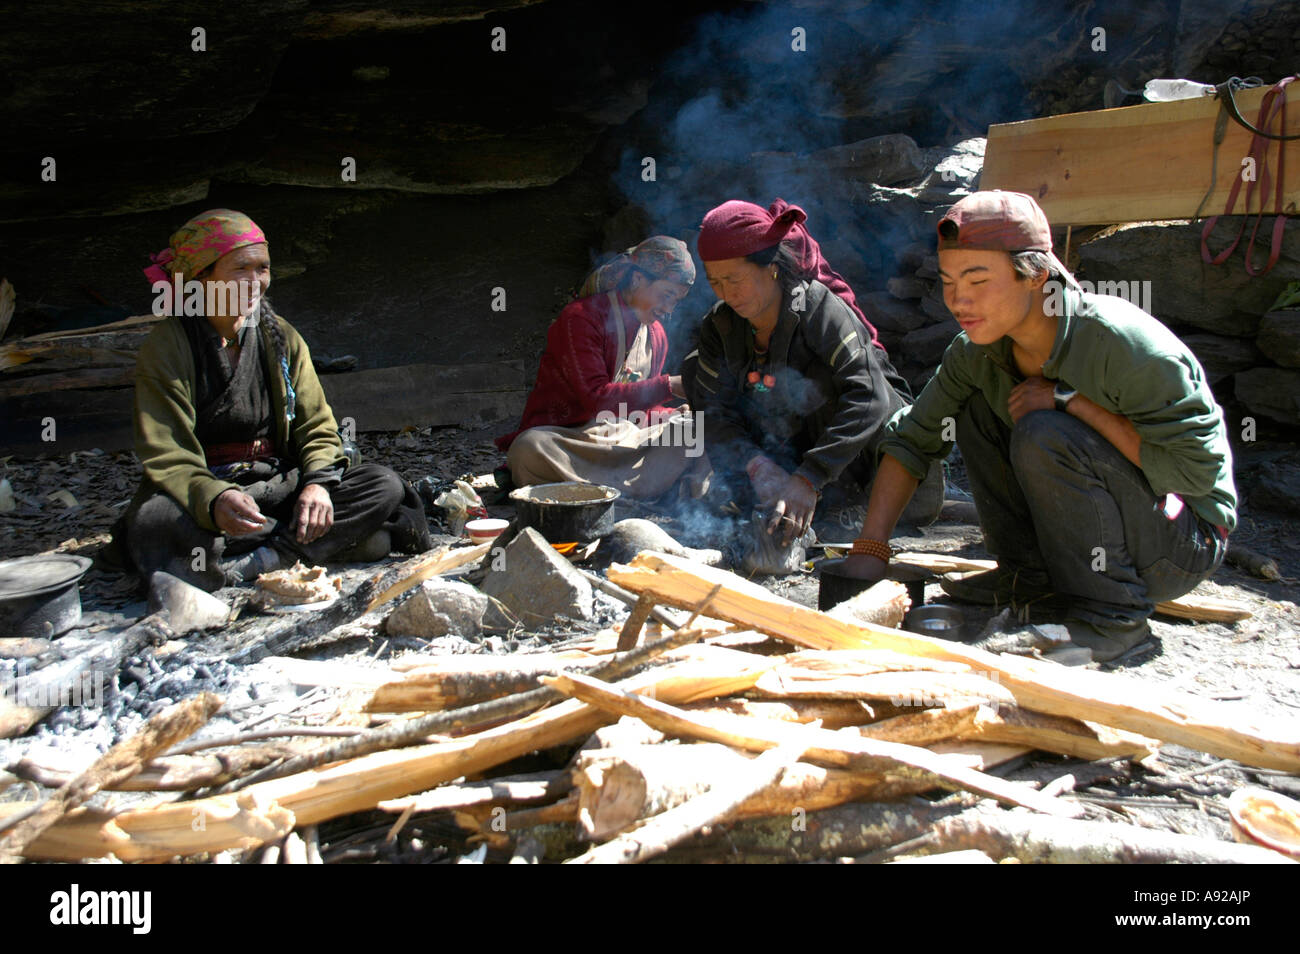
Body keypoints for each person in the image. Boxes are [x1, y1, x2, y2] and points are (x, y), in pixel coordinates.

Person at [841, 191, 1236, 661]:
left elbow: (1191, 478)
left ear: (1036, 276)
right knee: (973, 408)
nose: (958, 300)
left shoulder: (1123, 346)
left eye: (977, 279)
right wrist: (871, 548)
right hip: (1094, 534)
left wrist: (1072, 402)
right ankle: (1031, 581)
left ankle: (1114, 620)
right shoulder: (976, 351)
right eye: (948, 281)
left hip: (1180, 538)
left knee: (1044, 430)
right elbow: (912, 440)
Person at [110, 209, 428, 592]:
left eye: (263, 268)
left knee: (383, 484)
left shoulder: (281, 337)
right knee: (155, 519)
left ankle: (263, 558)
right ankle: (317, 545)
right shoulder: (168, 346)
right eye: (241, 268)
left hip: (275, 483)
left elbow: (316, 426)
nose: (255, 282)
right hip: (207, 490)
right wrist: (214, 498)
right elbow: (168, 450)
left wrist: (317, 486)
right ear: (202, 276)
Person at [685, 198, 942, 547]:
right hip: (790, 452)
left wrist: (809, 477)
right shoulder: (720, 325)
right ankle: (782, 498)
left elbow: (870, 397)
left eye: (735, 279)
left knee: (815, 382)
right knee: (695, 371)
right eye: (715, 282)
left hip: (863, 462)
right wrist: (757, 464)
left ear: (770, 266)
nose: (726, 294)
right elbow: (717, 413)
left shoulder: (816, 307)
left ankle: (852, 506)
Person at [496, 235, 706, 499]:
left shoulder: (657, 335)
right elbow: (595, 400)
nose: (668, 309)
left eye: (676, 301)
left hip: (623, 439)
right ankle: (645, 488)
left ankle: (599, 490)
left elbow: (640, 411)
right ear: (638, 279)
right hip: (574, 440)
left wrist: (669, 414)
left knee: (694, 429)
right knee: (527, 450)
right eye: (666, 295)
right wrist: (669, 386)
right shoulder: (582, 318)